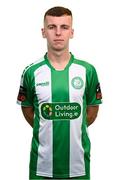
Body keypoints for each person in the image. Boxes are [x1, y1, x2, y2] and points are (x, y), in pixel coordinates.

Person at [17, 6, 102, 180]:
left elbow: (92, 111)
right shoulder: (31, 72)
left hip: (78, 166)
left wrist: (74, 127)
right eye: (51, 27)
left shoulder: (88, 71)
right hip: (41, 167)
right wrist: (46, 128)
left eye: (64, 27)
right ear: (43, 32)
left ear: (72, 32)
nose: (58, 33)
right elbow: (27, 111)